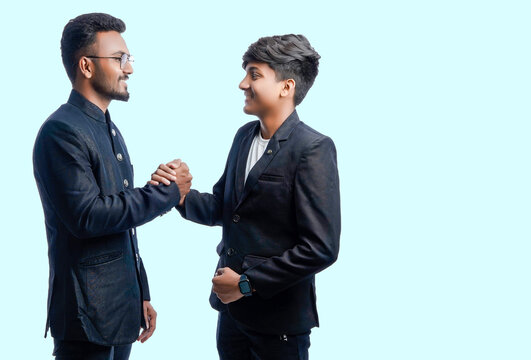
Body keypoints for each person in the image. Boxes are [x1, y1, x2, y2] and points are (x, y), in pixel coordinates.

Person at [151, 34, 340, 360]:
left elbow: (320, 248)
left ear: (286, 87)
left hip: (278, 322)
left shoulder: (313, 148)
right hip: (232, 316)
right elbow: (224, 208)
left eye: (254, 75)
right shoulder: (244, 137)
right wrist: (177, 194)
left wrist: (246, 284)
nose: (242, 84)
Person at [33, 13, 192, 359]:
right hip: (86, 317)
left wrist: (141, 291)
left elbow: (122, 221)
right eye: (120, 59)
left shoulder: (108, 127)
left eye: (129, 58)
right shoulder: (61, 132)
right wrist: (167, 192)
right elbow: (88, 216)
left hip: (119, 312)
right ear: (86, 66)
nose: (129, 68)